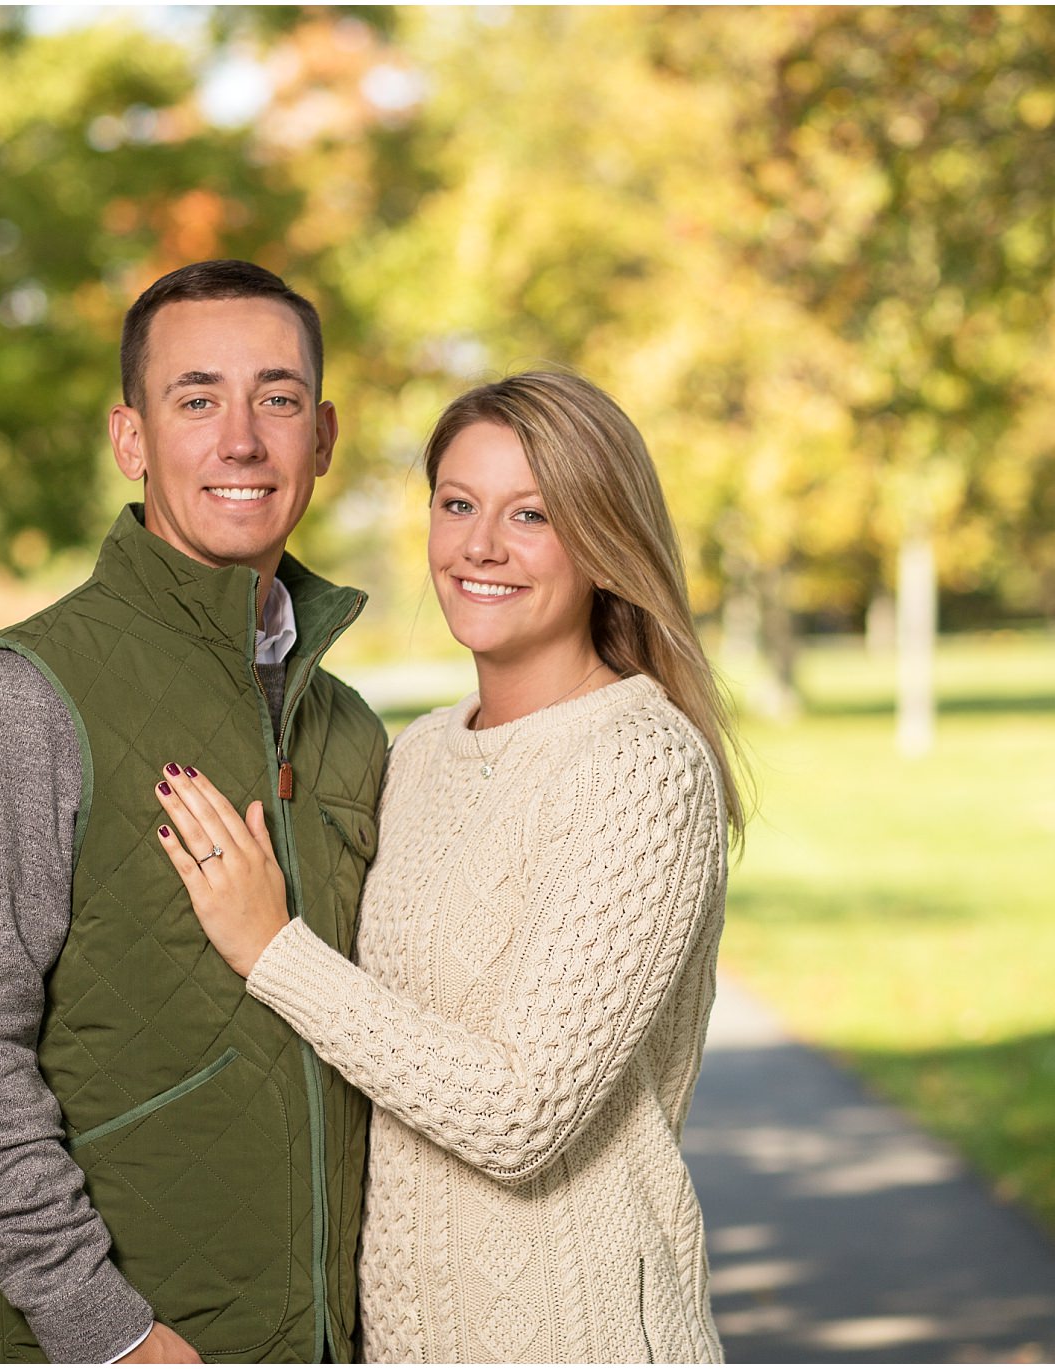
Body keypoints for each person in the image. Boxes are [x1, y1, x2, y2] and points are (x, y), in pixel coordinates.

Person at [150, 370, 747, 1363]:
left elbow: (519, 1114)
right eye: (457, 504)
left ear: (602, 540)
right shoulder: (420, 751)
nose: (479, 546)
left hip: (577, 1336)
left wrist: (271, 949)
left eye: (531, 515)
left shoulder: (641, 765)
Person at [0, 260, 387, 1364]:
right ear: (131, 439)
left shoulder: (348, 726)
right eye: (196, 398)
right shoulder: (22, 695)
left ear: (324, 433)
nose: (241, 438)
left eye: (279, 398)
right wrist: (104, 1332)